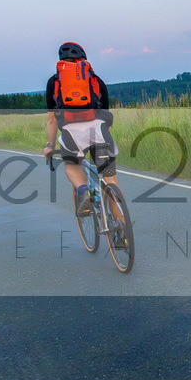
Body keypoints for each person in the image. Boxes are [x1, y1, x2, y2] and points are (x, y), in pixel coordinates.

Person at [41, 42, 126, 238]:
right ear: (83, 58)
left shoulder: (54, 82)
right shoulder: (95, 79)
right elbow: (105, 112)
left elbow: (52, 119)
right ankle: (122, 229)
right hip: (99, 130)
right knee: (110, 179)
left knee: (71, 165)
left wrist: (49, 146)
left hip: (72, 133)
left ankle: (82, 190)